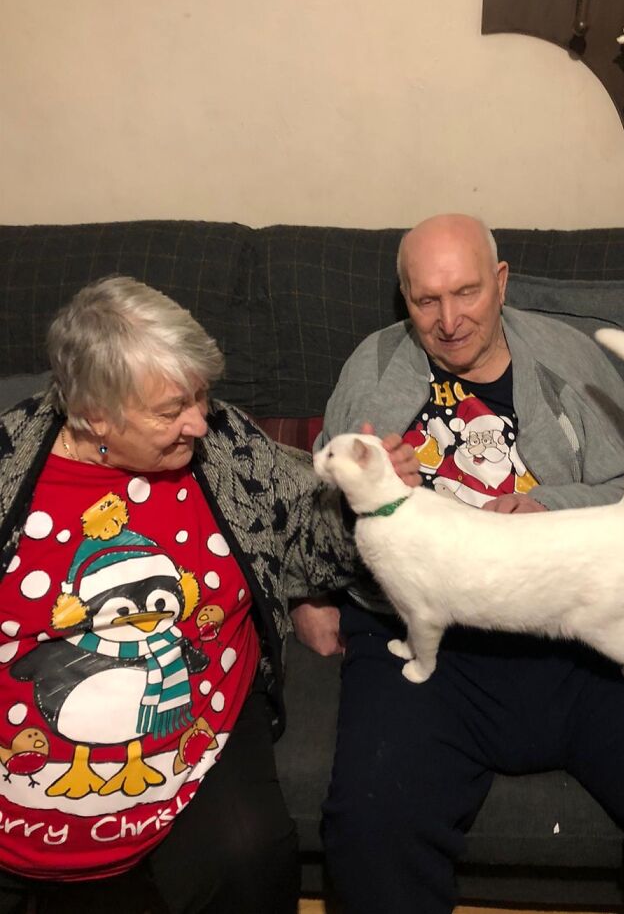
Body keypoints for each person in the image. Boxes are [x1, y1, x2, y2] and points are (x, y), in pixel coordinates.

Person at [310, 215, 624, 914]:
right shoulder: (373, 365)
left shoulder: (567, 355)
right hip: (426, 635)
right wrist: (360, 505)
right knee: (372, 827)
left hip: (569, 622)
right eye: (427, 300)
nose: (449, 320)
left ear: (501, 282)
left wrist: (548, 505)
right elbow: (315, 505)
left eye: (466, 292)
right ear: (404, 298)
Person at [0, 275, 415, 914]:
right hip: (32, 762)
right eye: (171, 410)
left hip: (200, 727)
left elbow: (308, 536)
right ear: (95, 414)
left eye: (200, 396)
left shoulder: (224, 446)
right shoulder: (10, 463)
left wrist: (365, 503)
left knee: (249, 861)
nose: (198, 421)